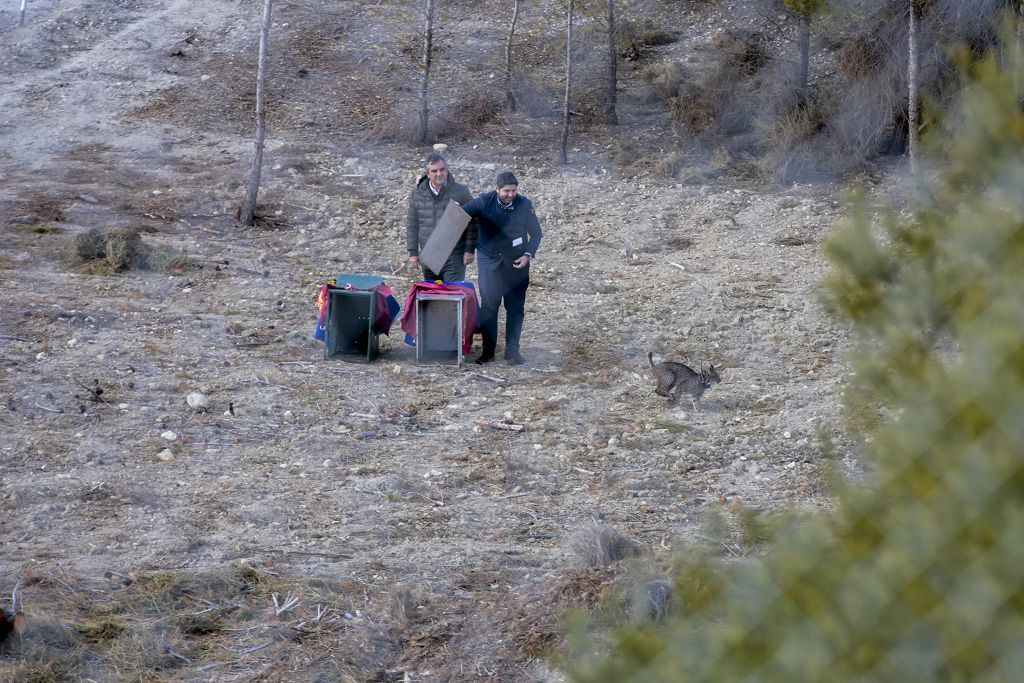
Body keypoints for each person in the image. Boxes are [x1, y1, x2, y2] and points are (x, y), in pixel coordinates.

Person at [461, 171, 543, 365]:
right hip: (490, 264)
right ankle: (488, 352)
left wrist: (527, 255)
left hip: (516, 265)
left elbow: (536, 234)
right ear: (497, 189)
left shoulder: (524, 204)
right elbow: (460, 214)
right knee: (489, 308)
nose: (511, 194)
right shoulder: (484, 201)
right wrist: (466, 247)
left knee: (515, 309)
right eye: (507, 191)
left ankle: (512, 351)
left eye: (514, 190)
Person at [406, 152, 478, 282]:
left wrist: (469, 250)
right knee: (433, 295)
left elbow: (473, 221)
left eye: (442, 169)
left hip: (454, 254)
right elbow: (412, 225)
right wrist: (413, 253)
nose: (439, 174)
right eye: (434, 171)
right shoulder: (417, 194)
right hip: (428, 254)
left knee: (451, 295)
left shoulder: (461, 192)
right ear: (427, 174)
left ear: (447, 170)